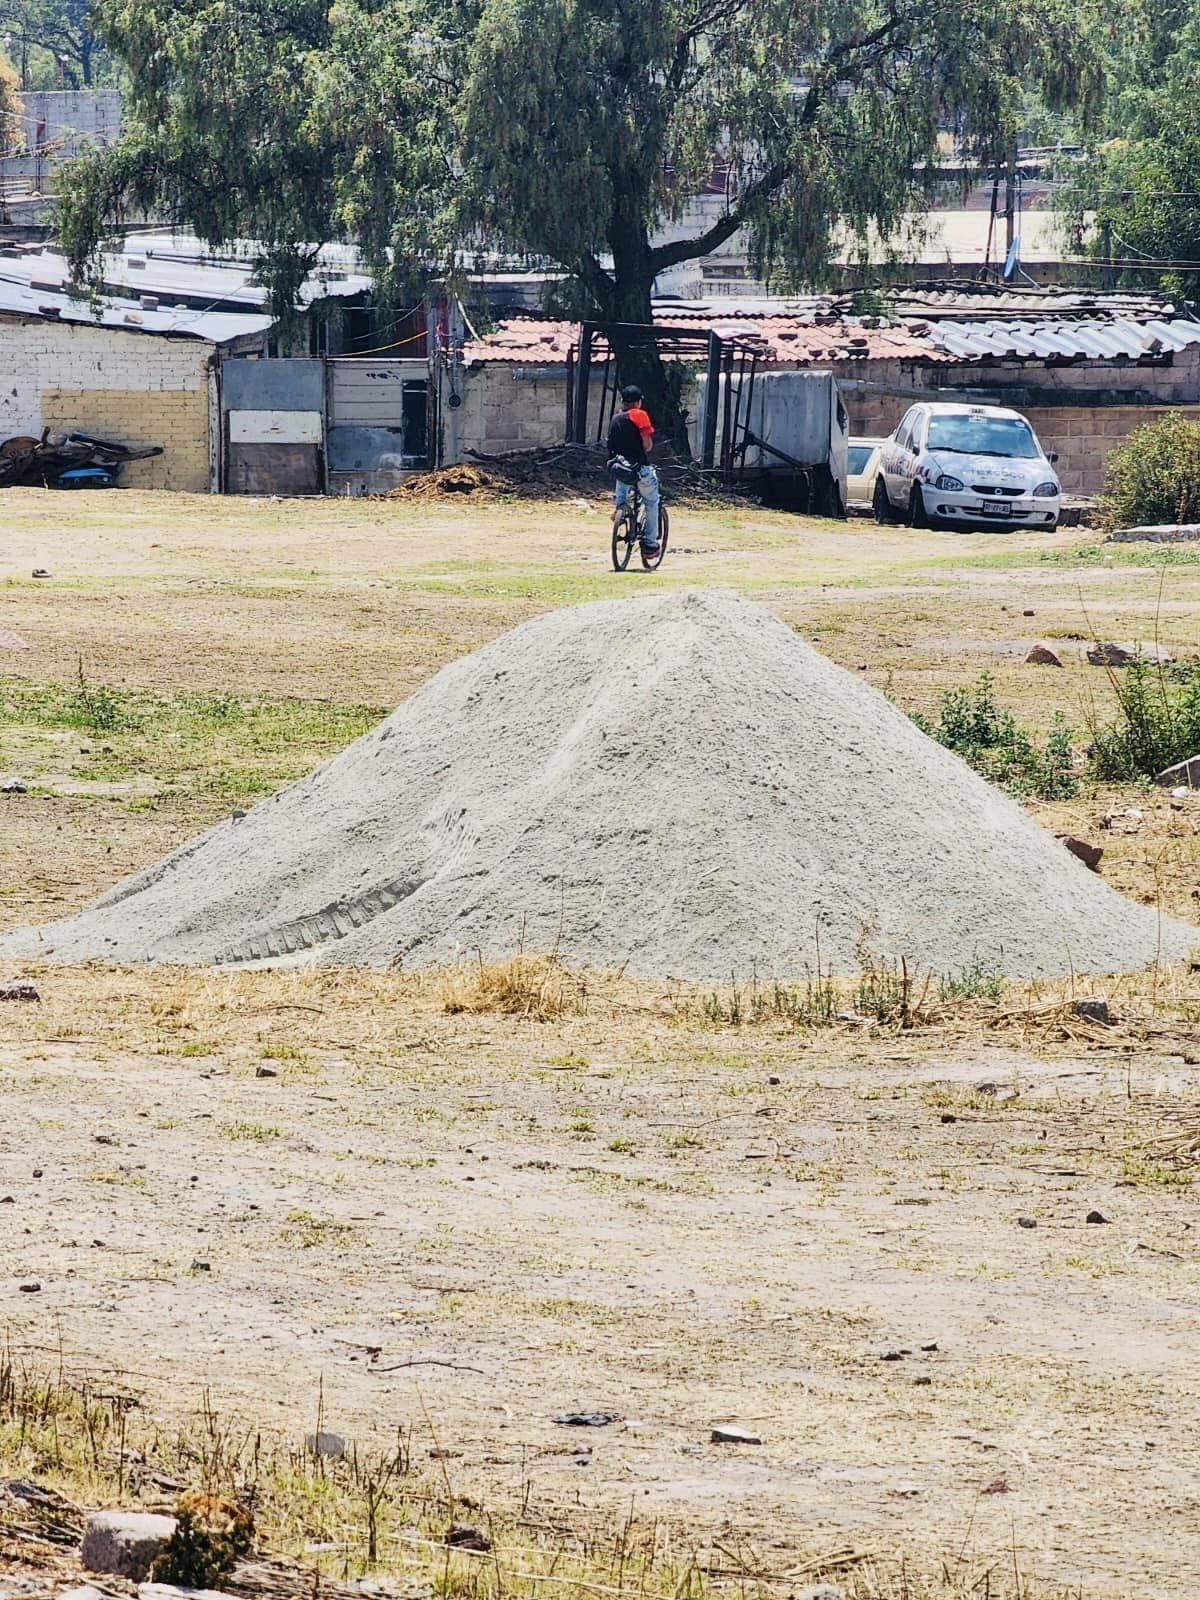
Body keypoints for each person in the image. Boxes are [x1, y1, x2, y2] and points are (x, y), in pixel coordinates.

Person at [606, 384, 661, 565]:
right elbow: (647, 446)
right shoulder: (639, 414)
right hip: (638, 467)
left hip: (620, 467)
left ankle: (620, 509)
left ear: (622, 401)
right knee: (652, 501)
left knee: (622, 483)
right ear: (638, 402)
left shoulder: (615, 418)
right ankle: (650, 545)